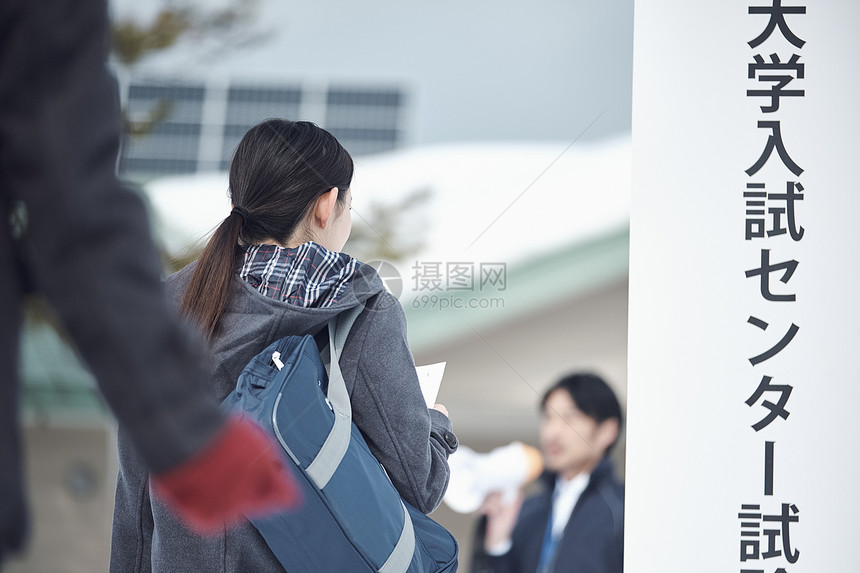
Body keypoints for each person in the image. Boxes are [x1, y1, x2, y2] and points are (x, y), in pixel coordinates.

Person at [0, 0, 300, 564]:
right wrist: (185, 431)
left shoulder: (180, 294)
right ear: (329, 205)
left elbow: (132, 510)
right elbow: (72, 213)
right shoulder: (361, 312)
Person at [110, 118, 459, 572]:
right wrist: (437, 426)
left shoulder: (165, 308)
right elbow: (419, 485)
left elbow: (136, 496)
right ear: (326, 205)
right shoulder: (359, 311)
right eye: (348, 205)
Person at [473, 373, 624, 573]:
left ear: (607, 431)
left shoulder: (623, 512)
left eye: (569, 418)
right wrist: (497, 545)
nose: (551, 432)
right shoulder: (526, 511)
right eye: (548, 418)